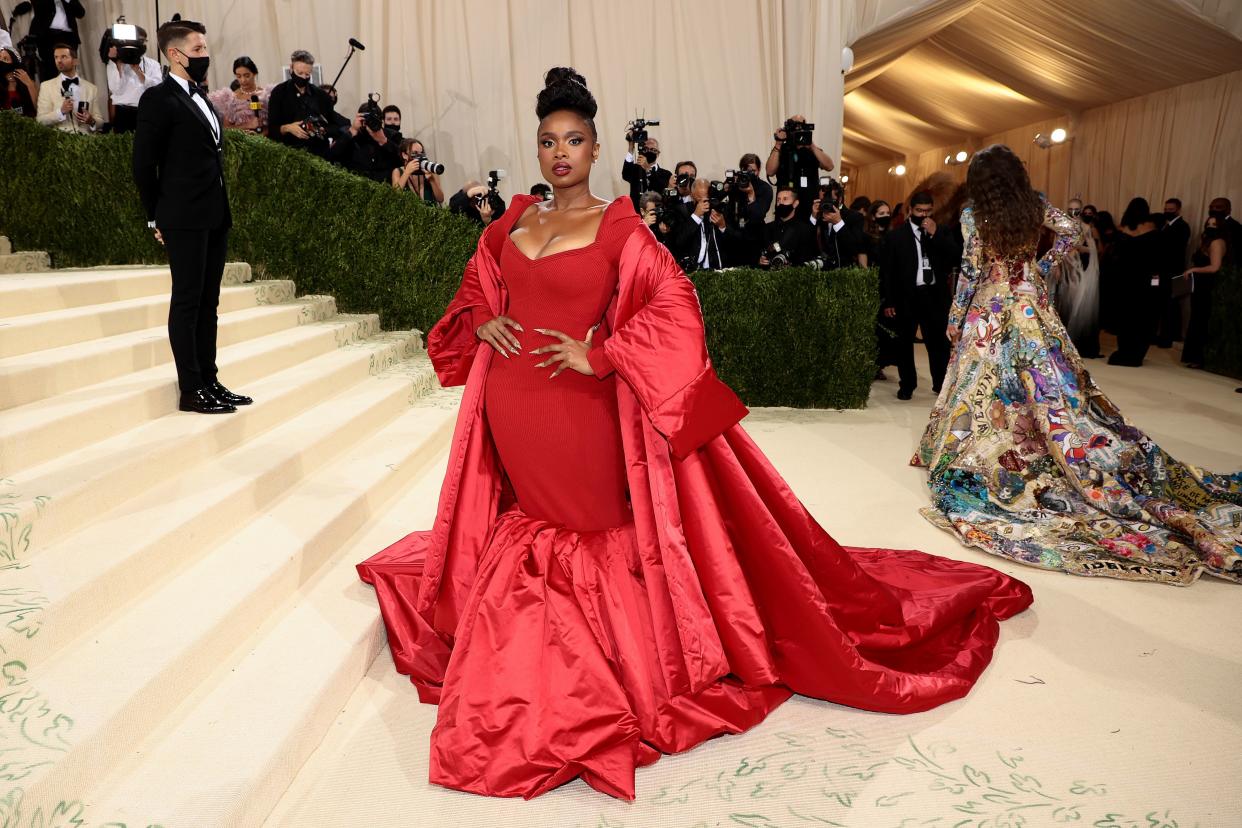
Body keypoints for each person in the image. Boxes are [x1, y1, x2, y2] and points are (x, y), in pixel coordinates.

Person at [357, 65, 1031, 802]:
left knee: (594, 526)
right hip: (513, 411)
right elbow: (474, 294)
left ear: (594, 147)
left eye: (575, 140)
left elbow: (676, 309)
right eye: (549, 140)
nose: (560, 153)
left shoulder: (619, 226)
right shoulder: (511, 223)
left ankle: (602, 664)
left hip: (586, 414)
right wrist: (481, 317)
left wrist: (604, 353)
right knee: (532, 522)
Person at [915, 143, 1242, 585]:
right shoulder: (1035, 206)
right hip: (1032, 305)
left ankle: (988, 447)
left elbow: (972, 270)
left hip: (992, 307)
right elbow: (1070, 231)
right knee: (1049, 381)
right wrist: (1040, 266)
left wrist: (955, 318)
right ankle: (1040, 439)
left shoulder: (975, 215)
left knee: (984, 382)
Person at [132, 19, 251, 416]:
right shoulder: (158, 100)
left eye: (204, 48)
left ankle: (209, 380)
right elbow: (143, 166)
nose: (205, 55)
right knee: (187, 301)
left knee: (208, 302)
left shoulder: (202, 97)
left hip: (214, 214)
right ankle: (190, 389)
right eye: (197, 50)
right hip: (181, 216)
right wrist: (155, 217)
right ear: (174, 54)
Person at [879, 189, 955, 400]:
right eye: (919, 210)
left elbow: (954, 256)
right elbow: (888, 272)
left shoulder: (941, 231)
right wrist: (889, 300)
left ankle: (940, 384)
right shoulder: (896, 236)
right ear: (910, 209)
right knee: (904, 343)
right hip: (907, 296)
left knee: (938, 343)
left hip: (934, 295)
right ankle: (907, 384)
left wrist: (935, 234)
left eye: (928, 211)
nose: (923, 215)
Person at [1107, 198, 1161, 366]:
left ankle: (1124, 351)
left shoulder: (1122, 230)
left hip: (1125, 279)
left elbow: (1114, 257)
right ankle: (1137, 354)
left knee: (1125, 315)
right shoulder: (1152, 229)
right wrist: (1156, 281)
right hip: (1145, 279)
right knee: (1143, 316)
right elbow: (1158, 259)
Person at [266, 49, 345, 158]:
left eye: (307, 74)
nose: (303, 77)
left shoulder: (321, 96)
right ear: (291, 68)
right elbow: (272, 129)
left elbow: (337, 125)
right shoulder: (279, 92)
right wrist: (287, 128)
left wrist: (324, 130)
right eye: (299, 73)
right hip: (288, 154)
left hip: (318, 155)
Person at [1181, 215, 1233, 369]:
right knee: (1197, 318)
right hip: (1201, 285)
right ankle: (1195, 357)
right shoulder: (1208, 241)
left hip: (1208, 287)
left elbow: (1215, 267)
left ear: (1221, 227)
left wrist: (1193, 269)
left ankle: (1200, 358)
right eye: (1208, 224)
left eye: (1214, 225)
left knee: (1201, 320)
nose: (1210, 227)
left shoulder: (1217, 243)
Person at [765, 114, 833, 220]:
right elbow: (770, 171)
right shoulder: (782, 149)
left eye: (801, 127)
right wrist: (778, 144)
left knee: (808, 234)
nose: (798, 130)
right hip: (786, 206)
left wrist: (811, 145)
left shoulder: (812, 151)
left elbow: (829, 166)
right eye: (795, 127)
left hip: (808, 206)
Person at [1056, 197, 1101, 358]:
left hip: (1079, 271)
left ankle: (1080, 345)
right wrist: (1057, 267)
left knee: (1079, 306)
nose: (1073, 212)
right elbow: (1056, 250)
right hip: (1065, 271)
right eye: (1070, 209)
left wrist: (1078, 247)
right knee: (1065, 305)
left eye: (1076, 209)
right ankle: (1064, 345)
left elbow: (1093, 251)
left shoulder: (1086, 227)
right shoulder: (1060, 227)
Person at [104, 26, 160, 133]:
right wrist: (118, 65)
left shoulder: (152, 64)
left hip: (147, 111)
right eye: (137, 40)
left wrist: (138, 71)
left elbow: (156, 89)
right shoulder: (114, 63)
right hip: (123, 113)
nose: (140, 44)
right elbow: (115, 89)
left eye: (142, 41)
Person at [331, 102, 401, 183]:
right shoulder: (347, 133)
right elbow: (331, 156)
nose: (369, 123)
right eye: (366, 119)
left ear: (381, 120)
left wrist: (384, 141)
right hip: (354, 185)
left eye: (374, 119)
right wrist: (352, 131)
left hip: (384, 187)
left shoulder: (392, 135)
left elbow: (402, 161)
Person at [35, 43, 98, 133]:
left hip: (87, 141)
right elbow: (40, 120)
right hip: (60, 141)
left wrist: (91, 121)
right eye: (56, 57)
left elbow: (100, 121)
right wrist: (60, 112)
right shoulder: (46, 86)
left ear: (75, 61)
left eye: (63, 57)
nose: (59, 61)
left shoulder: (91, 88)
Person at [1155, 197, 1190, 348]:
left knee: (1172, 304)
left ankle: (1168, 337)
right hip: (1162, 272)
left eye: (1171, 210)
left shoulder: (1183, 226)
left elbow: (1173, 250)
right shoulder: (1164, 225)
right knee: (1163, 303)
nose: (1167, 212)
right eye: (1166, 209)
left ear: (1178, 210)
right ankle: (1163, 335)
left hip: (1174, 271)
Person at [755, 186, 816, 269]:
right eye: (778, 200)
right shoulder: (767, 228)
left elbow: (807, 260)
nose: (780, 203)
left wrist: (792, 266)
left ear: (795, 203)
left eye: (785, 199)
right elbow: (760, 252)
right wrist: (760, 260)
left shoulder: (804, 229)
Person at [206, 56, 271, 132]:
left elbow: (276, 123)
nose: (243, 80)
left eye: (247, 76)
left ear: (254, 73)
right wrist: (248, 125)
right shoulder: (231, 99)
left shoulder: (267, 95)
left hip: (266, 141)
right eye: (239, 76)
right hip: (241, 142)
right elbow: (226, 128)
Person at [31, 0, 84, 82]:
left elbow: (81, 13)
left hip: (68, 37)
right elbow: (38, 8)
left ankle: (69, 94)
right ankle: (54, 94)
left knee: (69, 70)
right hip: (48, 38)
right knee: (50, 71)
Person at [620, 128, 671, 211]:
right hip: (637, 214)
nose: (649, 152)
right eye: (646, 149)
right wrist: (631, 146)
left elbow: (661, 190)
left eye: (653, 150)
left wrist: (647, 168)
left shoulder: (666, 174)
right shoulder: (636, 169)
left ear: (658, 154)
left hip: (657, 215)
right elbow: (625, 174)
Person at [392, 138, 445, 205]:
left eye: (421, 153)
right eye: (414, 153)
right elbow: (394, 196)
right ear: (404, 155)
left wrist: (432, 180)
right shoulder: (398, 172)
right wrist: (406, 173)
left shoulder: (429, 168)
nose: (419, 156)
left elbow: (440, 199)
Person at [0, 47, 37, 116]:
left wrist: (29, 84)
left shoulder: (26, 81)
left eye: (5, 59)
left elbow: (38, 108)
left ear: (14, 62)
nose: (1, 61)